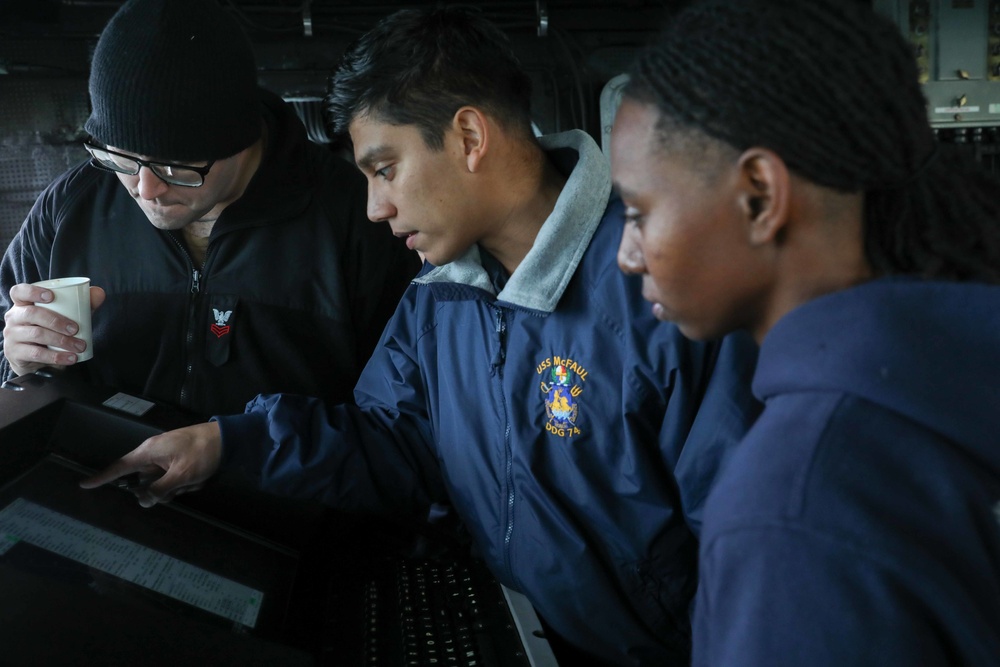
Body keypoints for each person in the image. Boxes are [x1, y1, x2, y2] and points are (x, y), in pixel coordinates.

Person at [81, 7, 761, 665]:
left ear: (469, 137)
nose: (376, 208)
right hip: (518, 630)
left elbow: (755, 562)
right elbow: (392, 442)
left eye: (384, 169)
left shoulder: (666, 291)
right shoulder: (438, 300)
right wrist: (226, 442)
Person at [612, 0, 1000, 664]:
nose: (626, 253)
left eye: (638, 211)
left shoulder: (789, 508)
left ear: (760, 196)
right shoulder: (957, 366)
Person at [0, 0, 419, 418]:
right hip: (103, 472)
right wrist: (18, 364)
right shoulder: (71, 205)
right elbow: (7, 357)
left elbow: (397, 415)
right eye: (123, 159)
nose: (146, 189)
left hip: (276, 482)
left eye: (175, 166)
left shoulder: (357, 216)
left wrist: (239, 448)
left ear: (241, 140)